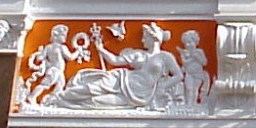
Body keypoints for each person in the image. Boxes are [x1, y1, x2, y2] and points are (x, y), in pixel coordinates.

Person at [49, 22, 183, 110]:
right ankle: (60, 97)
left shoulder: (165, 57)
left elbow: (178, 75)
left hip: (138, 95)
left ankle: (63, 102)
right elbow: (115, 61)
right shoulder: (138, 54)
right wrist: (100, 49)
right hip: (121, 79)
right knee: (91, 88)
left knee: (96, 102)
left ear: (154, 38)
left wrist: (162, 87)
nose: (142, 40)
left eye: (145, 37)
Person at [25, 24, 87, 105]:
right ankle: (32, 96)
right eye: (63, 35)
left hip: (56, 70)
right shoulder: (61, 47)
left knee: (60, 85)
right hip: (55, 70)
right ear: (56, 36)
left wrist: (39, 54)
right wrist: (78, 51)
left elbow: (40, 58)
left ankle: (51, 100)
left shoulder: (48, 47)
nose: (65, 37)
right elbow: (70, 57)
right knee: (45, 84)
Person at [177, 29, 210, 106]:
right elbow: (184, 63)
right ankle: (188, 104)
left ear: (195, 42)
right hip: (189, 73)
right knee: (189, 88)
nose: (188, 45)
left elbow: (204, 62)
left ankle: (194, 104)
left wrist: (197, 57)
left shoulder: (199, 51)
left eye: (190, 42)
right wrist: (192, 58)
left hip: (198, 74)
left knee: (195, 89)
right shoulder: (185, 53)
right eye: (186, 43)